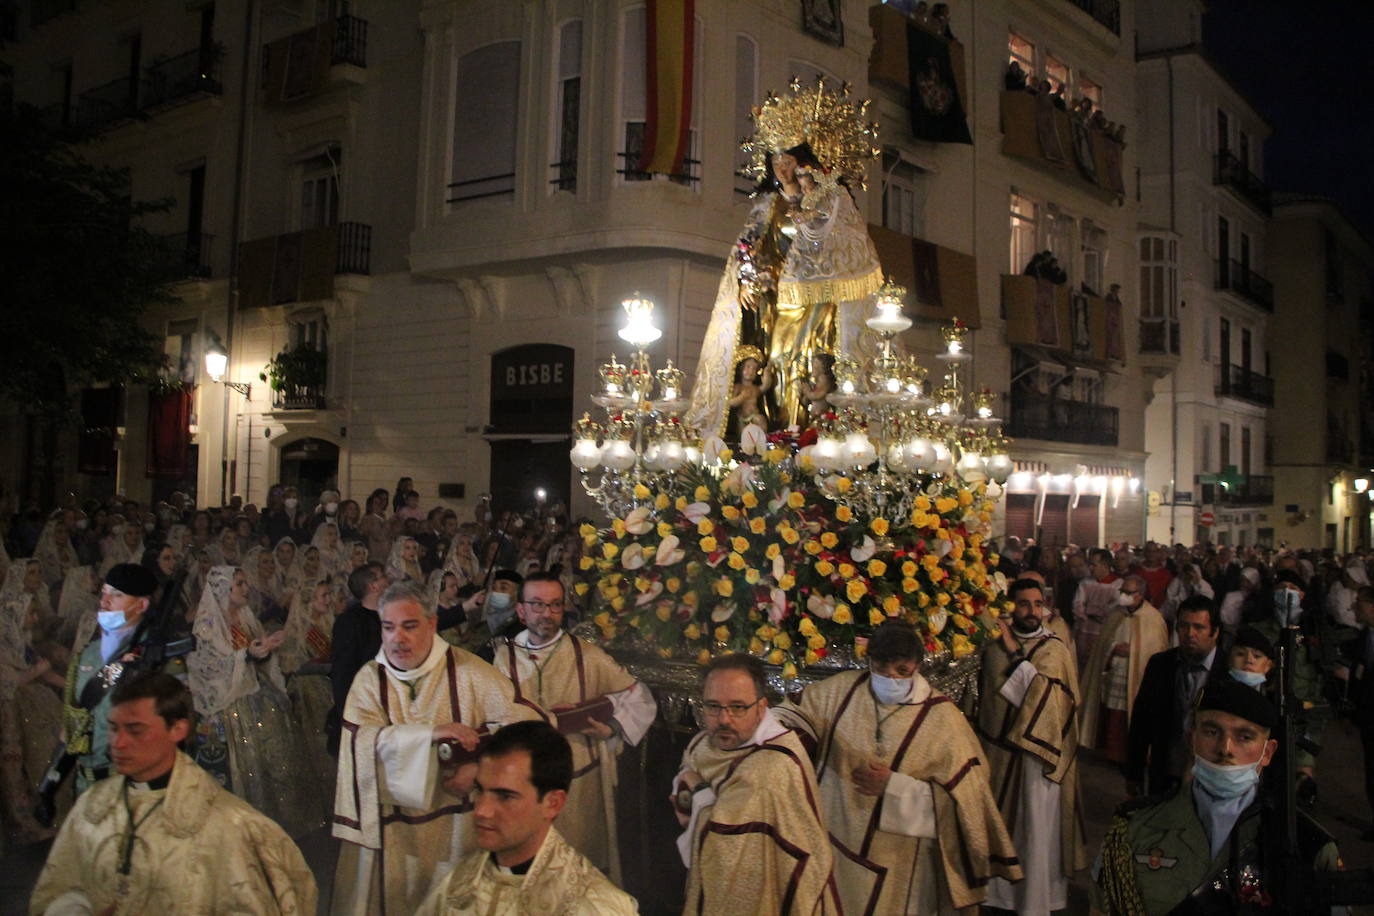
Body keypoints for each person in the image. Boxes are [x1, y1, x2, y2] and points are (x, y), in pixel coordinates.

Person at [330, 581, 547, 915]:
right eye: (388, 628)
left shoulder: (469, 672)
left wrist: (480, 770)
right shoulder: (368, 681)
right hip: (391, 834)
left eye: (409, 626)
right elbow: (358, 745)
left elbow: (529, 726)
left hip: (457, 830)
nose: (397, 638)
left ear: (432, 624)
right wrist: (430, 733)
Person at [685, 77, 885, 439]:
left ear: (803, 162)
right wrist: (747, 279)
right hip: (776, 300)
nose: (781, 166)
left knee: (813, 360)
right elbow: (747, 247)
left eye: (788, 158)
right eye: (775, 159)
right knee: (776, 356)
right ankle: (780, 429)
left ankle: (809, 430)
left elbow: (848, 247)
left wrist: (814, 217)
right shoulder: (765, 206)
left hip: (817, 298)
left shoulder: (830, 199)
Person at [29, 671, 317, 914]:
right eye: (113, 729)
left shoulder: (229, 824)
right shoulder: (90, 808)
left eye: (136, 730)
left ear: (177, 729)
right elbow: (58, 890)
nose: (118, 743)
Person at [786, 620, 1021, 913]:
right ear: (869, 662)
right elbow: (792, 715)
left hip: (902, 861)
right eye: (881, 670)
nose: (890, 679)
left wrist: (896, 788)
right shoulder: (842, 690)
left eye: (902, 672)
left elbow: (970, 799)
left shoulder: (944, 719)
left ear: (917, 666)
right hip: (838, 846)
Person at [1092, 679, 1339, 914]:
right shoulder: (1132, 830)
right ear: (1192, 739)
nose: (1225, 748)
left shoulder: (1309, 845)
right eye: (1212, 731)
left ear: (1268, 752)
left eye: (1245, 737)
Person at [493, 571, 656, 878]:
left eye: (555, 605)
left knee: (578, 873)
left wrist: (613, 727)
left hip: (578, 786)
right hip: (523, 785)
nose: (547, 614)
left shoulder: (587, 656)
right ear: (521, 610)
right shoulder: (504, 658)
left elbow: (640, 695)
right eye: (537, 605)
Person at [413, 721, 638, 915]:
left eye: (505, 796)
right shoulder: (461, 881)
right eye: (480, 790)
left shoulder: (595, 905)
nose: (482, 810)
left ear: (553, 803)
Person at [675, 653, 839, 915]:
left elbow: (723, 843)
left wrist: (696, 792)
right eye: (713, 706)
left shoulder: (770, 768)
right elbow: (689, 773)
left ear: (761, 707)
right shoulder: (707, 743)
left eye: (738, 707)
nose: (724, 719)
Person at [976, 577, 1087, 915]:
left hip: (1039, 760)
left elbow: (1050, 702)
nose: (1031, 611)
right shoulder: (993, 646)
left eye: (1037, 604)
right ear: (1011, 606)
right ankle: (998, 898)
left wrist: (1014, 654)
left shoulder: (1054, 648)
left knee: (1035, 834)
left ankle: (1035, 902)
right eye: (1023, 604)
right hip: (1000, 755)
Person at [186, 566, 322, 837]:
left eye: (245, 582)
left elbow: (256, 654)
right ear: (225, 589)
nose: (246, 588)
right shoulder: (208, 625)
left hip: (256, 691)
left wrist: (265, 649)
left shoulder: (246, 617)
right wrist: (246, 655)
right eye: (240, 584)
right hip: (229, 704)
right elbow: (208, 667)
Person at [60, 562, 187, 794]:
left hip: (135, 788)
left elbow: (177, 728)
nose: (104, 602)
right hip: (87, 787)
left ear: (142, 605)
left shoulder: (157, 658)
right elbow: (73, 724)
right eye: (104, 593)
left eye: (117, 596)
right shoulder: (88, 654)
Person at [1126, 595, 1226, 796]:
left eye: (1199, 627)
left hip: (1210, 779)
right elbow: (1141, 721)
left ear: (1215, 632)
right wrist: (1134, 772)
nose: (1190, 634)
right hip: (1164, 772)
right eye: (1183, 626)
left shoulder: (1228, 671)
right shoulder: (1160, 665)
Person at [1078, 574, 1169, 764]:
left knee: (1131, 716)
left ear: (1140, 595)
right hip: (1113, 673)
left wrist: (1136, 650)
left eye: (1128, 592)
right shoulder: (1115, 614)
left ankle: (1131, 756)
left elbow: (1156, 650)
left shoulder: (1153, 618)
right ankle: (1110, 753)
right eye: (1122, 591)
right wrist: (1112, 647)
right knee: (1111, 717)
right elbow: (1103, 643)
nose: (1123, 595)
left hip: (1135, 678)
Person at [327, 560, 387, 754]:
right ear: (372, 585)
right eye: (382, 576)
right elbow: (343, 672)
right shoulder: (350, 622)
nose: (388, 579)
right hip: (364, 706)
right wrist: (348, 717)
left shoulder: (390, 615)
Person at [1337, 586, 1374, 839]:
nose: (1353, 608)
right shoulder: (1363, 638)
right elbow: (1356, 677)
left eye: (1359, 603)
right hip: (1368, 719)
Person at [1071, 547, 1122, 670]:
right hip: (1083, 632)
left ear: (1105, 565)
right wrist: (1084, 614)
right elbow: (1078, 603)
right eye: (1090, 565)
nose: (1090, 568)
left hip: (1105, 633)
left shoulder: (1118, 584)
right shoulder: (1085, 583)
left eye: (1094, 565)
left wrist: (1096, 612)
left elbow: (1116, 608)